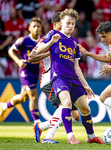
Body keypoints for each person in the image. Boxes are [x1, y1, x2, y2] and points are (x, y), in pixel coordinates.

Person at [35, 8, 104, 145]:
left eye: (72, 23)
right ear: (61, 23)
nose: (70, 26)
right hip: (59, 77)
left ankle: (91, 136)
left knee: (85, 109)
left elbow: (77, 67)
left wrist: (85, 84)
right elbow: (37, 51)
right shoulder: (53, 34)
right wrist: (50, 43)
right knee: (65, 103)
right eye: (67, 23)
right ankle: (70, 136)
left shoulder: (74, 43)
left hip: (73, 78)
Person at [28, 11, 80, 144]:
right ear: (58, 24)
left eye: (70, 23)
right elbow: (32, 56)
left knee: (75, 116)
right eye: (64, 23)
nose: (67, 27)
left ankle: (41, 127)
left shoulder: (67, 40)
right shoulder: (49, 38)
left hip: (64, 77)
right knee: (65, 104)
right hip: (49, 79)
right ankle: (49, 136)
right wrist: (50, 50)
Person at [0, 17, 42, 123]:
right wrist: (18, 62)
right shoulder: (24, 40)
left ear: (41, 28)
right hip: (25, 70)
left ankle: (4, 106)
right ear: (29, 28)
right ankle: (37, 123)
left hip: (35, 71)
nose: (36, 28)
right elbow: (11, 51)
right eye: (34, 26)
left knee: (23, 98)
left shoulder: (43, 40)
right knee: (34, 96)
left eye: (38, 26)